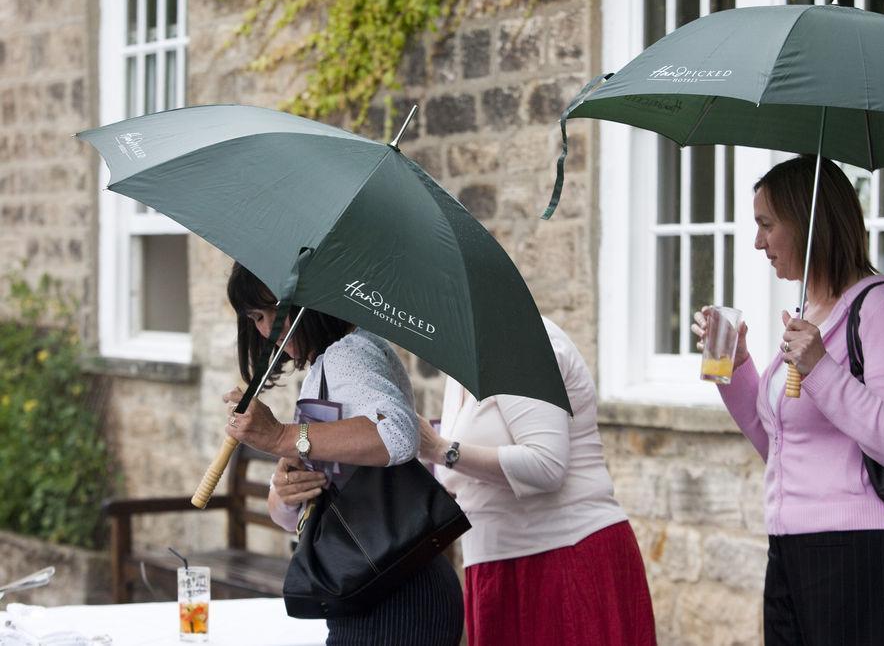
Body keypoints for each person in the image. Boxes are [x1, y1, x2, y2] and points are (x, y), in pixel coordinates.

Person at [693, 155, 884, 645]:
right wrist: (737, 367)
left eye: (766, 224)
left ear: (807, 225)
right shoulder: (811, 316)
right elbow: (779, 446)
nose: (758, 241)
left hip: (862, 554)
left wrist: (821, 366)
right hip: (791, 547)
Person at [222, 262, 463, 646]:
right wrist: (285, 492)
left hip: (396, 594)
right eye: (254, 320)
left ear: (298, 303)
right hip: (376, 585)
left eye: (264, 315)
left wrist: (282, 436)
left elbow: (397, 435)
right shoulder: (326, 364)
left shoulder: (350, 353)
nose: (264, 331)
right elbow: (292, 513)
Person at [418, 317, 656, 646]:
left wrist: (441, 449)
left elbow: (547, 464)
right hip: (497, 566)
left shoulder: (516, 338)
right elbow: (458, 471)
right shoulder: (462, 354)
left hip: (563, 563)